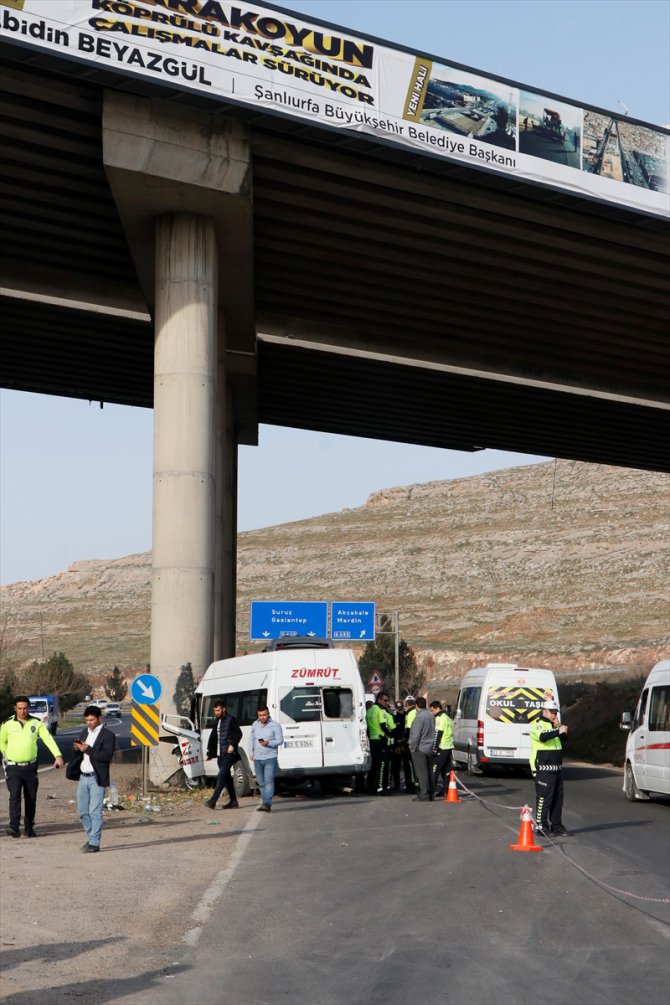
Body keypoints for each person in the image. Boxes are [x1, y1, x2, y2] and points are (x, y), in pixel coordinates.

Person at [0, 695, 64, 837]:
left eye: (25, 708)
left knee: (30, 797)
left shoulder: (36, 723)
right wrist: (6, 755)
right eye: (20, 708)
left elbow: (48, 739)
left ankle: (29, 828)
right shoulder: (7, 724)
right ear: (15, 708)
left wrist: (57, 756)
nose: (22, 711)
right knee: (14, 796)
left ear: (29, 708)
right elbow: (1, 742)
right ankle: (14, 827)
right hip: (13, 767)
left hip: (30, 767)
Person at [68, 705, 116, 852]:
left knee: (95, 811)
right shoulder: (84, 732)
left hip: (97, 777)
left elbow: (106, 756)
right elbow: (77, 754)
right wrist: (77, 748)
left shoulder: (108, 735)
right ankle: (91, 838)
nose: (89, 723)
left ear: (99, 718)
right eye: (87, 720)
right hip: (83, 777)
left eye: (92, 720)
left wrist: (88, 749)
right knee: (83, 812)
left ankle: (94, 843)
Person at [530, 700, 569, 836]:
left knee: (558, 799)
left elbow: (564, 740)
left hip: (556, 767)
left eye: (555, 713)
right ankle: (541, 825)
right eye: (552, 713)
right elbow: (543, 737)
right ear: (544, 711)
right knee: (544, 798)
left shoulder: (554, 726)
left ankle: (556, 825)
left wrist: (561, 729)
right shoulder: (537, 724)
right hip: (543, 767)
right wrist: (557, 730)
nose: (554, 715)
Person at [205, 698, 243, 810]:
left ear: (224, 709)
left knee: (221, 776)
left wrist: (232, 744)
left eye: (218, 710)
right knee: (226, 778)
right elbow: (214, 738)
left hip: (229, 754)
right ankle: (234, 801)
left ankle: (213, 801)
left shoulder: (231, 719)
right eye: (215, 711)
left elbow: (238, 733)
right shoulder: (218, 721)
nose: (216, 713)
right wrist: (210, 753)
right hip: (219, 755)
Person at [249, 706, 283, 812]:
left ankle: (267, 803)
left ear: (268, 714)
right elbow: (251, 738)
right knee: (261, 782)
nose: (262, 717)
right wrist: (251, 751)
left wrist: (269, 743)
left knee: (269, 781)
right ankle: (265, 803)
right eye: (260, 715)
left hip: (270, 757)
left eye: (264, 715)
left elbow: (280, 740)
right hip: (257, 758)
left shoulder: (275, 725)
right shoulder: (255, 724)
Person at [408, 697, 436, 802]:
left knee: (421, 772)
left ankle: (424, 794)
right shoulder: (431, 715)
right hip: (429, 746)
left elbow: (415, 735)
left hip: (420, 748)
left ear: (416, 705)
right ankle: (431, 793)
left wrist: (412, 747)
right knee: (429, 771)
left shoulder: (418, 717)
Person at [366, 691, 393, 794]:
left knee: (374, 765)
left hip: (372, 740)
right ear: (380, 699)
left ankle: (371, 786)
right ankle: (380, 787)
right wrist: (391, 733)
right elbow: (384, 726)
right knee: (381, 765)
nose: (386, 703)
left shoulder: (369, 710)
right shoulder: (380, 711)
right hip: (381, 740)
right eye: (385, 700)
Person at [429, 700, 454, 796]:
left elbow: (438, 734)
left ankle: (430, 792)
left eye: (432, 710)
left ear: (436, 708)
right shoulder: (447, 717)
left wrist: (434, 748)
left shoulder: (440, 718)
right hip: (448, 747)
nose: (432, 713)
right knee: (446, 770)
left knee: (434, 769)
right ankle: (445, 790)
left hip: (442, 747)